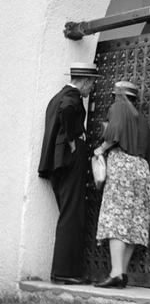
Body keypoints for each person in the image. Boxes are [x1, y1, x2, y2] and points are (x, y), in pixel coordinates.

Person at [38, 62, 99, 285]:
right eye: (92, 83)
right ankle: (65, 272)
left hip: (58, 163)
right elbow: (67, 110)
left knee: (68, 213)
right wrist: (73, 140)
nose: (92, 88)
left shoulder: (57, 97)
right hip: (69, 161)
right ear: (85, 81)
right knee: (72, 214)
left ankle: (64, 271)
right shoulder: (71, 96)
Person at [93, 81, 150, 288]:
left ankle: (116, 272)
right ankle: (122, 272)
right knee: (134, 221)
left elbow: (114, 134)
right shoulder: (142, 119)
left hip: (122, 166)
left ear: (118, 95)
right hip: (142, 169)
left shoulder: (118, 107)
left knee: (116, 218)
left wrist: (101, 149)